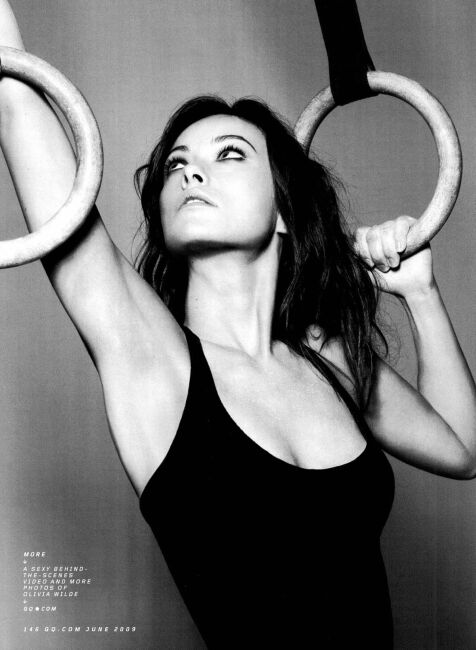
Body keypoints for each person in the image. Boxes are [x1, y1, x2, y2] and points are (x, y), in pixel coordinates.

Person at [1, 1, 475, 648]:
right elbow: (16, 97)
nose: (191, 171)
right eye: (175, 164)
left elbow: (462, 449)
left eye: (229, 154)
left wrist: (421, 292)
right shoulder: (153, 362)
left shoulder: (327, 359)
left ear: (283, 210)